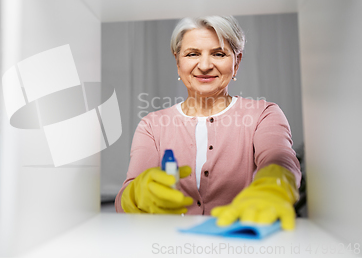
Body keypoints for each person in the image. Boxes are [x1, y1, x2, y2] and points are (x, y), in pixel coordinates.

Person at [114, 16, 301, 230]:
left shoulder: (264, 115)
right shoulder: (151, 126)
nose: (204, 66)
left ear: (236, 62)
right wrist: (136, 195)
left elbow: (281, 160)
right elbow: (122, 202)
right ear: (178, 62)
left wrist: (273, 185)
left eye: (218, 54)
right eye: (192, 54)